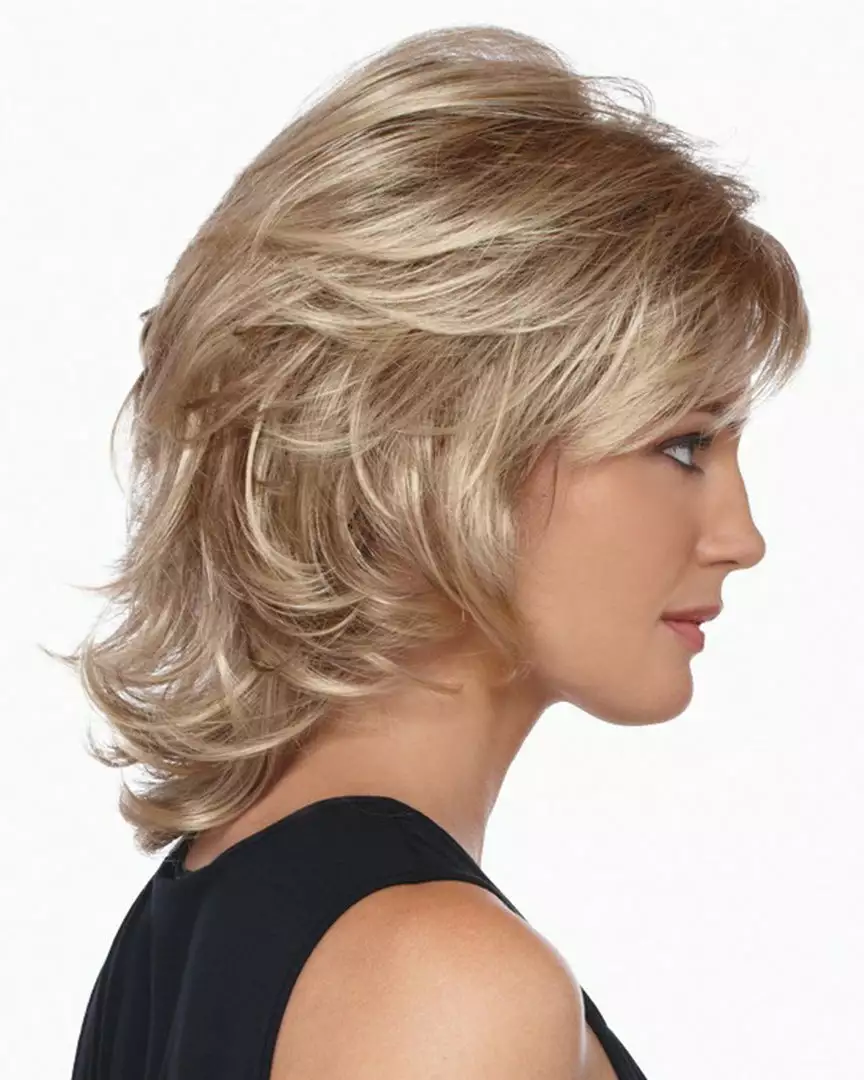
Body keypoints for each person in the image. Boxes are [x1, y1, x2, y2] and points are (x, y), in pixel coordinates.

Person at [57, 23, 810, 1080]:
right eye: (682, 445)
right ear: (445, 450)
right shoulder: (438, 975)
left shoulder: (207, 910)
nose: (741, 538)